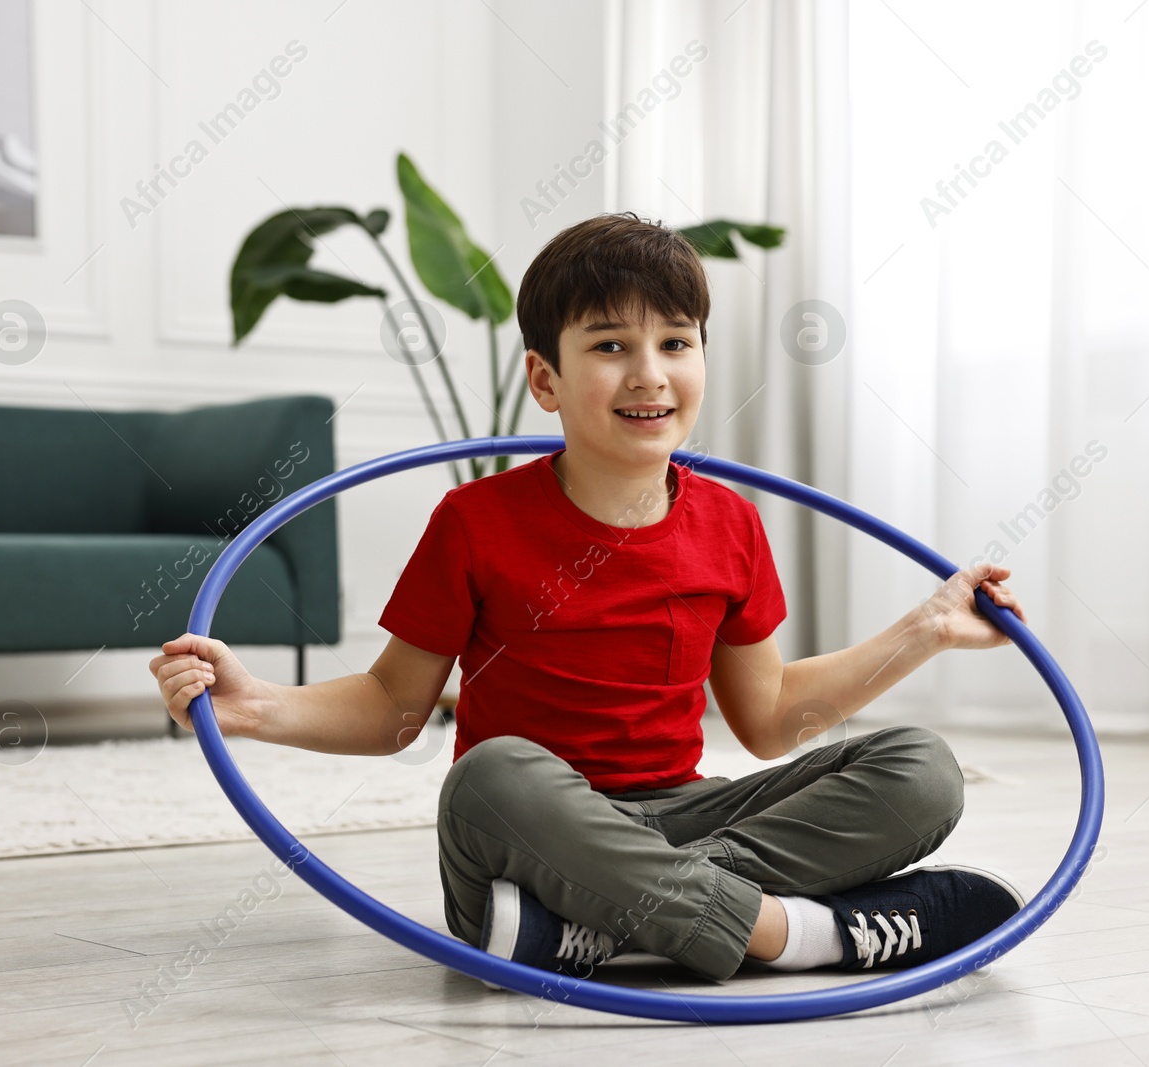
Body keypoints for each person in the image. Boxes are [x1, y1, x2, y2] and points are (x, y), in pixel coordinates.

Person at [150, 211, 1030, 988]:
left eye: (675, 343)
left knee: (921, 767)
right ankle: (795, 935)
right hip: (534, 832)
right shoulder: (474, 519)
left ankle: (598, 928)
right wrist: (254, 705)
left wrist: (927, 630)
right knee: (490, 774)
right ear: (546, 380)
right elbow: (391, 710)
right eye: (610, 346)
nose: (649, 373)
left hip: (677, 814)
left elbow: (767, 720)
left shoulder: (731, 525)